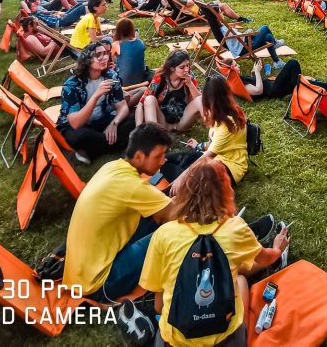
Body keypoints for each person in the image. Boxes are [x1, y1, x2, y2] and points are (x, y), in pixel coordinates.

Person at [140, 159, 289, 347]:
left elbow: (158, 306)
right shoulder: (235, 228)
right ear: (226, 191)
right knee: (240, 280)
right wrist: (277, 248)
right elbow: (266, 258)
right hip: (226, 340)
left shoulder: (164, 234)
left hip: (174, 341)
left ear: (184, 192)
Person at [63, 122, 177, 302]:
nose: (163, 161)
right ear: (139, 156)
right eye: (159, 156)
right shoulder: (132, 186)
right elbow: (176, 215)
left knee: (154, 215)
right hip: (100, 285)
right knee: (172, 233)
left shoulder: (111, 167)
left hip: (80, 275)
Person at [57, 43, 134, 162]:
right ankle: (115, 144)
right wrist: (96, 95)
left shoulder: (111, 76)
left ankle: (92, 150)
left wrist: (113, 124)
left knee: (132, 121)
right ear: (87, 60)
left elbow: (122, 107)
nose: (104, 58)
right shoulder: (72, 85)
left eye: (105, 54)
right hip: (78, 126)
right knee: (80, 137)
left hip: (102, 120)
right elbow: (75, 123)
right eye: (98, 55)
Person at [169, 76, 249, 185]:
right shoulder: (222, 113)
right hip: (215, 159)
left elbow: (208, 155)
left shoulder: (228, 124)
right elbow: (218, 144)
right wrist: (199, 146)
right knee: (169, 159)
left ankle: (170, 187)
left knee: (189, 179)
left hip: (229, 167)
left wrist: (181, 179)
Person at [231, 57, 327, 101]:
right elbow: (258, 91)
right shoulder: (239, 82)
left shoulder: (236, 80)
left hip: (273, 85)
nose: (239, 66)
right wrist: (257, 72)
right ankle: (298, 87)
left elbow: (255, 86)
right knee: (293, 63)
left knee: (301, 82)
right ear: (231, 69)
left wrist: (254, 74)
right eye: (236, 65)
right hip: (273, 90)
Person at [137, 50, 202, 132]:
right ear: (172, 68)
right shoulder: (160, 77)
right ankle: (154, 133)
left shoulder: (190, 76)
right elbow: (141, 103)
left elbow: (199, 100)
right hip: (162, 121)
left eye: (188, 65)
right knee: (149, 99)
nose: (186, 69)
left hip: (182, 121)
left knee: (200, 99)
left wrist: (190, 84)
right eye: (182, 67)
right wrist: (138, 128)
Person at [113, 17, 148, 87]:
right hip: (141, 79)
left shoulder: (116, 44)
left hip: (123, 82)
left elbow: (112, 61)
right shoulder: (140, 42)